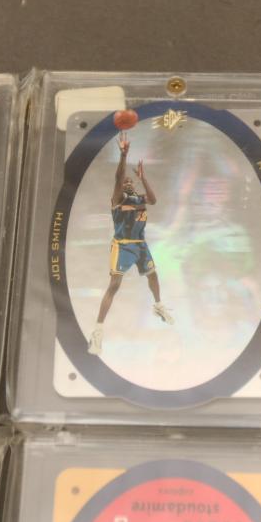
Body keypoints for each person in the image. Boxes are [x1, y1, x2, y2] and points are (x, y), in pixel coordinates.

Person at [88, 132, 173, 355]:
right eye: (125, 181)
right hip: (123, 245)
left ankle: (158, 306)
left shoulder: (139, 198)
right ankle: (97, 331)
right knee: (114, 286)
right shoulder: (118, 200)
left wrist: (143, 177)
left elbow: (154, 200)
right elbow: (118, 178)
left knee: (153, 275)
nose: (127, 182)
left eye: (130, 181)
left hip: (140, 244)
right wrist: (124, 156)